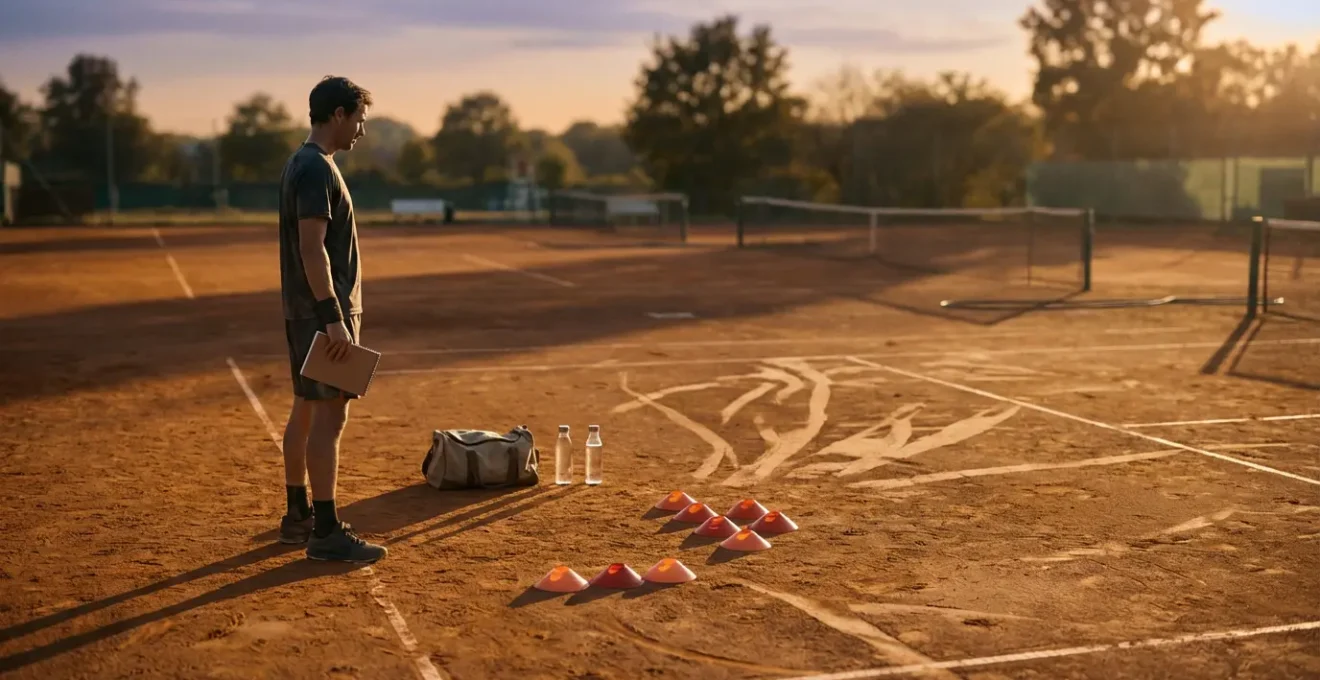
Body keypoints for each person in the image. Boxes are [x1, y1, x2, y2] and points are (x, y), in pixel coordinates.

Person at [275, 76, 386, 564]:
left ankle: (297, 515)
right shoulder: (317, 168)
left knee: (305, 407)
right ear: (338, 114)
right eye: (359, 119)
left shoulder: (301, 163)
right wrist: (334, 317)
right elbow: (312, 248)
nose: (361, 130)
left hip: (309, 313)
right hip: (324, 313)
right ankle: (325, 530)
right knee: (330, 416)